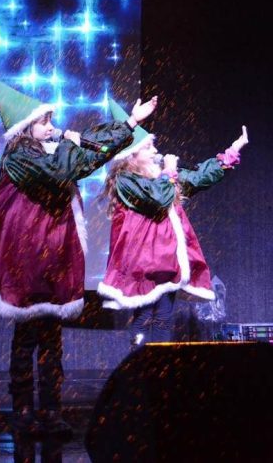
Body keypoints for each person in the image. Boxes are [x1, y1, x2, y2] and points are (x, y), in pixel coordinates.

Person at [0, 71, 156, 435]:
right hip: (27, 260)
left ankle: (51, 410)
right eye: (45, 122)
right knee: (26, 338)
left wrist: (129, 123)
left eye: (52, 120)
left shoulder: (49, 153)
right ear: (26, 129)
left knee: (52, 339)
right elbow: (62, 170)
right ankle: (23, 410)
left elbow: (87, 156)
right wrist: (70, 140)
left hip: (53, 259)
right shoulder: (19, 156)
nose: (52, 127)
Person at [97, 111, 248, 347]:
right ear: (131, 155)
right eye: (148, 148)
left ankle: (160, 362)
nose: (155, 151)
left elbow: (197, 177)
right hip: (143, 260)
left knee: (164, 316)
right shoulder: (126, 180)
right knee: (144, 314)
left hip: (166, 257)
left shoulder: (163, 176)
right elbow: (157, 198)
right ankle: (141, 359)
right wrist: (168, 172)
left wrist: (231, 152)